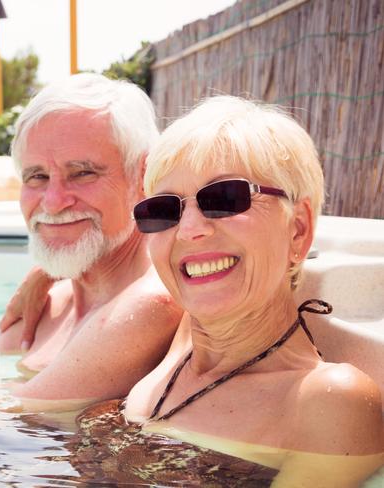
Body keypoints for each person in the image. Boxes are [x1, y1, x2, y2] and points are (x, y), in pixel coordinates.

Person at [121, 95, 383, 486]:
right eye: (164, 209)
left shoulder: (327, 401)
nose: (189, 229)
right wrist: (47, 274)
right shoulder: (186, 338)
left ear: (298, 230)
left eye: (224, 198)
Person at [0, 73, 183, 410]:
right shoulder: (49, 301)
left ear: (144, 177)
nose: (53, 202)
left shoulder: (149, 305)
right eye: (37, 176)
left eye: (83, 173)